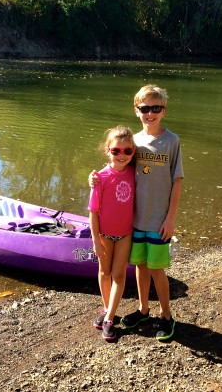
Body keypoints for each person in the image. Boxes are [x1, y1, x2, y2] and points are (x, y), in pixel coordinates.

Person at [90, 85, 183, 341]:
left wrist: (170, 218)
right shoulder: (134, 142)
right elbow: (115, 164)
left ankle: (166, 315)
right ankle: (144, 309)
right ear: (137, 110)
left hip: (159, 220)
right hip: (135, 222)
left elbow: (177, 181)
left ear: (163, 111)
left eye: (155, 108)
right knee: (140, 267)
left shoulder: (172, 141)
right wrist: (94, 177)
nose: (150, 113)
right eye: (145, 109)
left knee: (157, 269)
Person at [88, 125, 136, 341]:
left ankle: (109, 319)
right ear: (107, 150)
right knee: (104, 273)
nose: (122, 155)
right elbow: (93, 212)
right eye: (116, 151)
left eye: (128, 151)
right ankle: (107, 308)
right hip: (105, 236)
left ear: (133, 152)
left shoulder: (135, 173)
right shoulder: (100, 178)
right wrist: (96, 240)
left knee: (118, 275)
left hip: (125, 235)